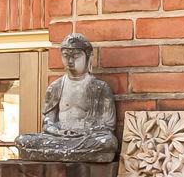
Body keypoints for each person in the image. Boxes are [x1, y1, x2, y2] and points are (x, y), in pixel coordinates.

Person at [16, 34, 118, 163]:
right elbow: (48, 122)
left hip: (86, 137)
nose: (70, 61)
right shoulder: (55, 87)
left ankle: (63, 152)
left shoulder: (100, 88)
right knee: (23, 140)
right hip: (59, 137)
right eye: (66, 56)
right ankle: (71, 152)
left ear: (89, 57)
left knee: (107, 142)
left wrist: (83, 131)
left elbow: (108, 126)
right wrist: (59, 132)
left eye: (75, 56)